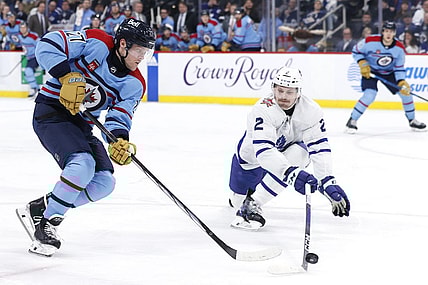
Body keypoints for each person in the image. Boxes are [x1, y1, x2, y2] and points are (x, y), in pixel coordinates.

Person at [16, 18, 155, 257]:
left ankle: (41, 207)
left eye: (146, 51)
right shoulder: (96, 42)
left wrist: (118, 140)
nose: (142, 57)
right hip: (51, 112)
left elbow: (119, 117)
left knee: (104, 183)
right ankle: (46, 224)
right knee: (82, 165)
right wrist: (66, 75)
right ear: (123, 44)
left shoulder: (135, 83)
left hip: (80, 124)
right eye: (139, 50)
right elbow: (48, 44)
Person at [229, 66, 350, 230]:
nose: (283, 96)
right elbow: (264, 152)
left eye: (289, 92)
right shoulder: (262, 109)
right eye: (280, 91)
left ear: (298, 92)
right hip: (251, 161)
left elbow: (319, 147)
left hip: (284, 155)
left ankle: (252, 204)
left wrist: (327, 180)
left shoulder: (311, 110)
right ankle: (239, 198)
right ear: (273, 89)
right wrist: (290, 174)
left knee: (301, 153)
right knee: (237, 201)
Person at [346, 21, 426, 133]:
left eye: (391, 32)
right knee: (370, 95)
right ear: (382, 32)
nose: (388, 34)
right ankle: (352, 120)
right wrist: (362, 62)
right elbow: (356, 51)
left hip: (389, 72)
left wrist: (401, 81)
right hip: (370, 71)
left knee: (405, 94)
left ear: (394, 33)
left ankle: (412, 120)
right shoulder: (370, 41)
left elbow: (399, 67)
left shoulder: (399, 48)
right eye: (386, 31)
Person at [18, 21, 41, 97]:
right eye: (21, 28)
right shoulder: (20, 36)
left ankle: (35, 88)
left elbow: (40, 45)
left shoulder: (33, 36)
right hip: (29, 57)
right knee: (26, 74)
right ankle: (36, 88)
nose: (22, 29)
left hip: (35, 57)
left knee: (28, 71)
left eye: (24, 28)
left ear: (27, 28)